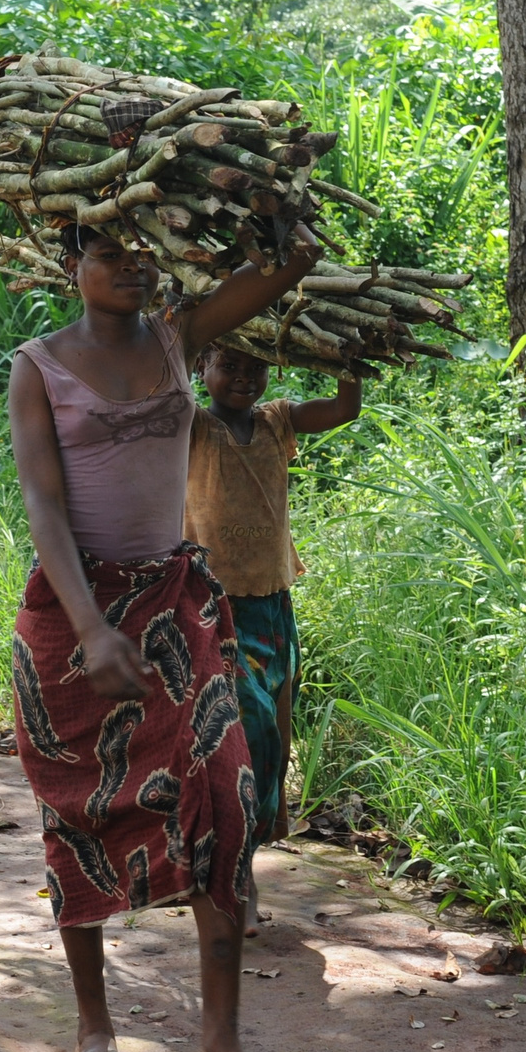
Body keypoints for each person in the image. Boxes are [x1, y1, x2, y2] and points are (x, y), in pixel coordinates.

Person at [8, 217, 322, 1052]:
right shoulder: (37, 367)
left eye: (138, 250)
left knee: (225, 797)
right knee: (82, 815)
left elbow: (289, 263)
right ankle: (94, 1031)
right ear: (72, 266)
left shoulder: (183, 338)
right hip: (75, 619)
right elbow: (44, 507)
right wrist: (93, 629)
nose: (128, 267)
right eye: (107, 253)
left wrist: (277, 217)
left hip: (177, 605)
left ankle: (220, 1047)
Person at [185, 342, 361, 934]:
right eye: (227, 365)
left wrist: (348, 356)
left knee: (272, 743)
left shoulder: (277, 420)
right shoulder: (190, 425)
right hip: (212, 607)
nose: (242, 379)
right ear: (201, 367)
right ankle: (232, 876)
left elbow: (344, 408)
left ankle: (242, 866)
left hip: (270, 606)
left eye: (255, 367)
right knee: (245, 736)